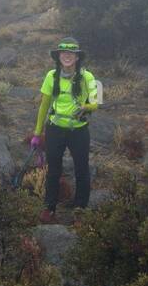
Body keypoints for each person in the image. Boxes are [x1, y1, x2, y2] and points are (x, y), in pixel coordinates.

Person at [30, 37, 99, 224]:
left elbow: (97, 103)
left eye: (71, 53)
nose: (67, 56)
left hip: (79, 131)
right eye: (63, 53)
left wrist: (85, 108)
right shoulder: (51, 76)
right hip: (55, 129)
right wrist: (37, 133)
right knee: (53, 170)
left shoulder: (88, 77)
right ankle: (49, 208)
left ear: (77, 57)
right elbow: (44, 106)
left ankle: (80, 210)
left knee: (82, 170)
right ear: (58, 56)